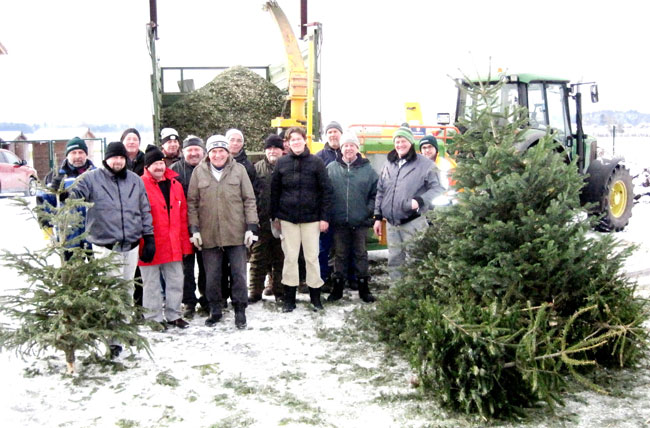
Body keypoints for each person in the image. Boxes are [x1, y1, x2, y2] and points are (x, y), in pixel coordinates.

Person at [70, 141, 154, 357]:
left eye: (121, 158)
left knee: (127, 291)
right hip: (106, 246)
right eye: (114, 157)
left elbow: (144, 209)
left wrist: (149, 236)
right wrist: (64, 192)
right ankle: (111, 338)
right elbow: (76, 194)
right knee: (109, 293)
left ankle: (123, 331)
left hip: (131, 246)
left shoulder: (134, 181)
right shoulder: (91, 179)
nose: (117, 161)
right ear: (106, 159)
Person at [187, 135, 259, 329]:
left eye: (221, 151)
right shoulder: (198, 172)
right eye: (214, 151)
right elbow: (192, 204)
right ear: (208, 154)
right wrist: (194, 229)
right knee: (212, 275)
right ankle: (216, 308)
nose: (218, 155)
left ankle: (240, 308)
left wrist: (251, 226)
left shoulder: (239, 170)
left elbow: (249, 200)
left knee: (238, 274)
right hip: (209, 234)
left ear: (228, 153)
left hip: (235, 233)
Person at [271, 126, 333, 313]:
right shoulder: (281, 163)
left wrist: (324, 217)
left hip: (312, 219)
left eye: (299, 139)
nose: (295, 142)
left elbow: (326, 191)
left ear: (305, 140)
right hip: (287, 219)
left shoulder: (316, 162)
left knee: (312, 258)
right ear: (288, 144)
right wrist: (274, 216)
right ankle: (289, 299)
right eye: (292, 140)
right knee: (290, 258)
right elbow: (275, 191)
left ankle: (315, 297)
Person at [372, 126, 444, 280]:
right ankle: (396, 295)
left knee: (415, 261)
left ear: (410, 142)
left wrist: (419, 200)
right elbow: (381, 191)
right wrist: (377, 217)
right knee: (394, 260)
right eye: (397, 141)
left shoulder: (425, 165)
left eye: (403, 141)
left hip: (413, 222)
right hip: (392, 224)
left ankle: (413, 297)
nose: (400, 144)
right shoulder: (388, 164)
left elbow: (438, 188)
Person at [139, 145, 193, 329]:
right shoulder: (139, 184)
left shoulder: (175, 184)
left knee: (176, 281)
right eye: (154, 164)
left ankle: (174, 314)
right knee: (151, 285)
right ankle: (153, 318)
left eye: (161, 163)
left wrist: (185, 245)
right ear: (147, 167)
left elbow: (183, 215)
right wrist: (141, 244)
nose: (159, 167)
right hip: (150, 244)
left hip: (173, 244)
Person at [326, 132, 378, 303]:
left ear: (357, 148)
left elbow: (375, 194)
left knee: (361, 255)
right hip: (339, 221)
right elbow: (325, 193)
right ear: (341, 149)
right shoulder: (331, 168)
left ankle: (364, 289)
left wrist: (367, 211)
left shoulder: (368, 170)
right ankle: (337, 289)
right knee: (339, 255)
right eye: (345, 145)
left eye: (352, 145)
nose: (348, 148)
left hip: (361, 221)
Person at [36, 137, 96, 260]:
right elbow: (43, 205)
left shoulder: (97, 174)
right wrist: (48, 234)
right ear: (67, 155)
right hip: (68, 239)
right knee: (72, 277)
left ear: (86, 154)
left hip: (94, 239)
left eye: (81, 152)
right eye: (73, 153)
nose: (78, 156)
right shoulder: (55, 176)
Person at [171, 135, 208, 317]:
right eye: (189, 150)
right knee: (185, 267)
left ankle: (207, 299)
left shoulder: (210, 168)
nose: (193, 153)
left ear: (203, 152)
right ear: (183, 152)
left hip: (206, 225)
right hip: (181, 227)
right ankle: (188, 301)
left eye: (197, 150)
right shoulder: (174, 171)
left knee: (207, 265)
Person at [248, 134, 285, 303]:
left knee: (280, 257)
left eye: (276, 148)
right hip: (262, 220)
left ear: (282, 150)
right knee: (258, 258)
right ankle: (255, 291)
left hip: (283, 220)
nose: (272, 151)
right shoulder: (257, 168)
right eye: (269, 148)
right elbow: (251, 194)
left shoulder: (287, 166)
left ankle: (279, 290)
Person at [315, 121, 343, 289]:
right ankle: (323, 278)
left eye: (336, 131)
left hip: (343, 211)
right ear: (326, 135)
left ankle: (344, 278)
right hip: (325, 212)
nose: (333, 135)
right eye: (330, 132)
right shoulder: (319, 157)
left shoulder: (349, 152)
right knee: (323, 248)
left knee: (343, 248)